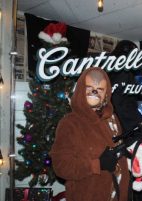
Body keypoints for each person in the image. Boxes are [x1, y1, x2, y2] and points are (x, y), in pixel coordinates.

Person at [50, 67, 130, 201]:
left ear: (106, 94)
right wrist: (97, 164)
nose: (94, 92)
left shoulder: (112, 119)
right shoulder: (70, 123)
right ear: (81, 90)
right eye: (89, 87)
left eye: (100, 89)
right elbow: (61, 166)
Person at [109, 40, 142, 201]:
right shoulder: (124, 73)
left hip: (119, 129)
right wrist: (138, 124)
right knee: (140, 169)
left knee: (126, 172)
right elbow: (122, 104)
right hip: (130, 130)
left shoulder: (111, 70)